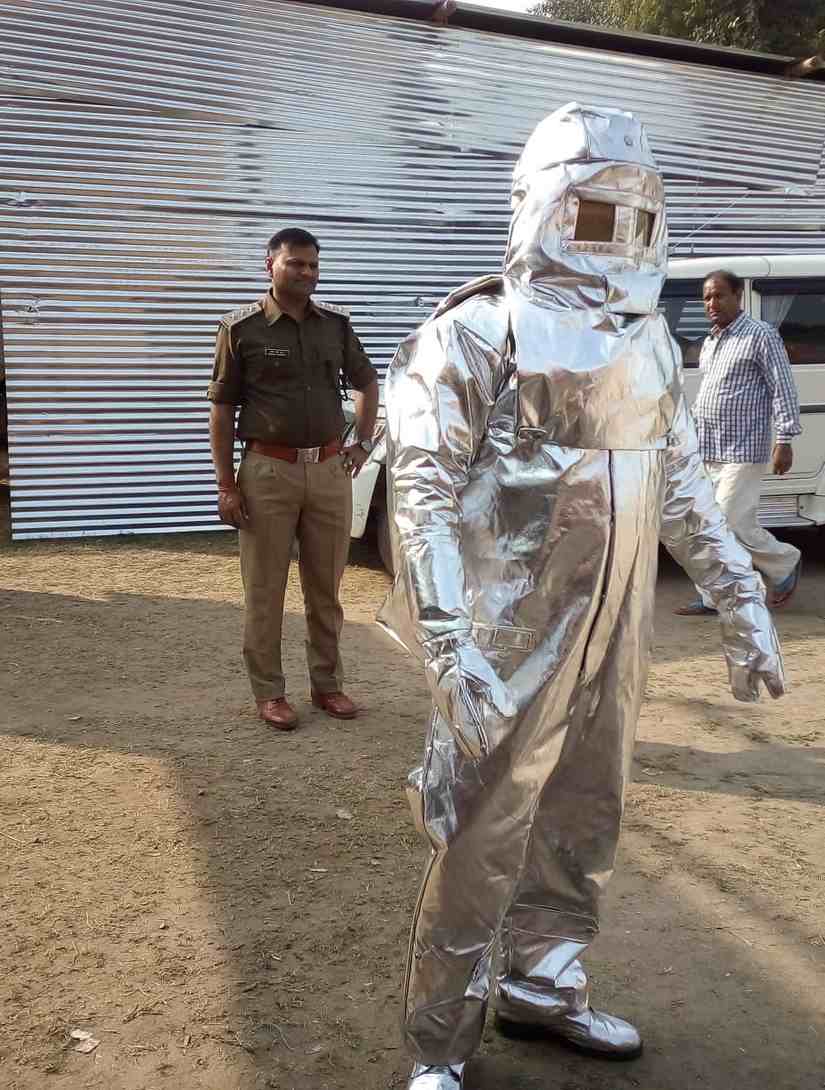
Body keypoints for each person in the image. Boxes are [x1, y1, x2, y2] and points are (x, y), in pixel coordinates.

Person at [377, 103, 785, 1090]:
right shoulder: (480, 329)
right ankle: (439, 1041)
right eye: (596, 210)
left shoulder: (646, 342)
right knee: (485, 831)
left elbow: (682, 482)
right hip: (511, 636)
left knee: (584, 817)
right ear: (547, 205)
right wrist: (445, 640)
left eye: (636, 213)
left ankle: (544, 987)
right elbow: (421, 489)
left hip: (616, 633)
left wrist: (742, 599)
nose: (618, 234)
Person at [208, 227, 379, 730]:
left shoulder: (335, 326)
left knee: (326, 587)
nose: (307, 273)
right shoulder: (241, 330)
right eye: (296, 264)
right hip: (268, 472)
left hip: (329, 471)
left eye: (313, 265)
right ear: (270, 266)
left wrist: (363, 443)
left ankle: (327, 685)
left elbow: (367, 382)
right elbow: (221, 408)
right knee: (265, 590)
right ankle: (270, 693)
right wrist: (226, 484)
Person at [674, 269, 803, 616]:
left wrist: (785, 438)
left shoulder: (760, 334)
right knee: (705, 526)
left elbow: (782, 387)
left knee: (729, 523)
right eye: (706, 298)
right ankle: (713, 596)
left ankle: (786, 563)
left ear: (738, 296)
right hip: (708, 448)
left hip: (744, 449)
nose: (712, 303)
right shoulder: (712, 341)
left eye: (719, 295)